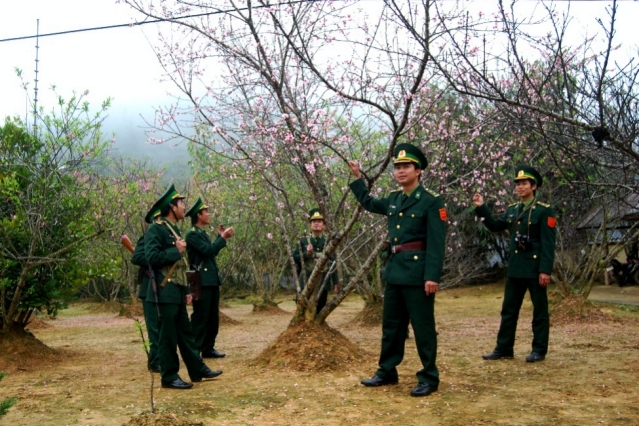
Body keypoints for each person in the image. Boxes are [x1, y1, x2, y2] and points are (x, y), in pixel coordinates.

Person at [347, 143, 447, 397]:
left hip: (418, 274)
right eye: (398, 167)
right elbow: (369, 203)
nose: (401, 171)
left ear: (418, 171)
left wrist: (432, 276)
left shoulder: (431, 202)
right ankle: (387, 371)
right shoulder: (394, 199)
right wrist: (358, 178)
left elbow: (437, 243)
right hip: (395, 272)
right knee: (391, 325)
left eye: (406, 167)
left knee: (423, 326)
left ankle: (429, 376)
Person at [472, 165, 556, 363]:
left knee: (540, 312)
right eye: (517, 183)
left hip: (535, 270)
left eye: (524, 183)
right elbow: (494, 225)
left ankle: (539, 350)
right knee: (509, 310)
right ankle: (504, 348)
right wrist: (481, 206)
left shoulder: (544, 211)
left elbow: (548, 243)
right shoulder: (512, 210)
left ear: (533, 186)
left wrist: (545, 270)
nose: (519, 187)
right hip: (516, 268)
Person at [144, 184, 223, 389]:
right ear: (172, 206)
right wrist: (175, 251)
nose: (183, 207)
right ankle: (169, 376)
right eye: (181, 203)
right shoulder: (156, 228)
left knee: (186, 333)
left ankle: (197, 369)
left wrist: (187, 290)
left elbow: (181, 266)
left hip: (177, 290)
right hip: (164, 291)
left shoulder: (174, 229)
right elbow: (150, 257)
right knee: (168, 336)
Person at [185, 197, 234, 359]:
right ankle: (194, 350)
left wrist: (219, 238)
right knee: (201, 317)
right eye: (206, 212)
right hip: (201, 281)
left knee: (212, 317)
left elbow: (211, 251)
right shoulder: (192, 235)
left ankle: (208, 348)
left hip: (210, 280)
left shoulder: (202, 234)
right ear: (199, 215)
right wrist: (222, 238)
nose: (209, 214)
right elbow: (208, 250)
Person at [292, 208, 339, 314]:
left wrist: (335, 281)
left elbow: (333, 263)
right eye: (314, 221)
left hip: (323, 281)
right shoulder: (303, 241)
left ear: (324, 225)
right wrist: (306, 254)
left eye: (319, 221)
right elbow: (294, 257)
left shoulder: (329, 242)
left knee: (320, 307)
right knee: (303, 308)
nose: (316, 224)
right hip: (306, 280)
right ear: (310, 225)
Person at [130, 218, 161, 373]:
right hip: (149, 286)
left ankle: (160, 357)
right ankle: (155, 361)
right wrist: (154, 259)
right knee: (154, 327)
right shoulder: (148, 236)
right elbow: (136, 257)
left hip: (161, 287)